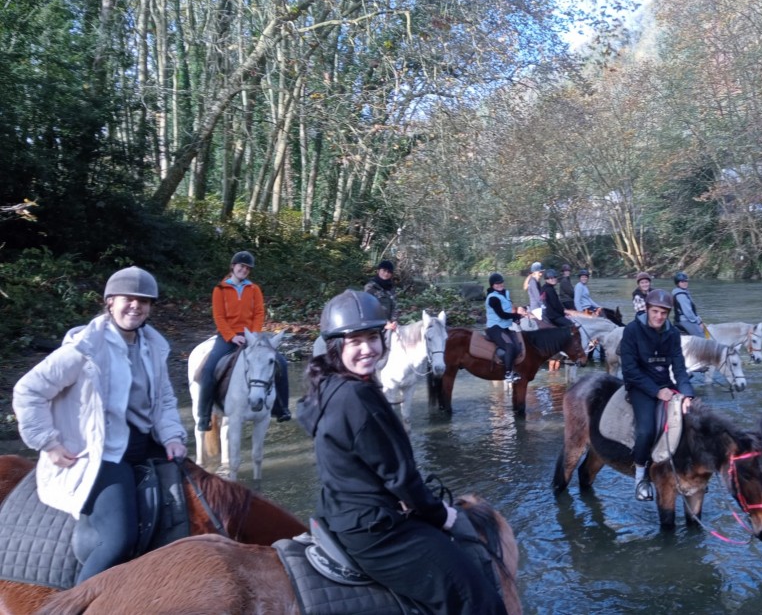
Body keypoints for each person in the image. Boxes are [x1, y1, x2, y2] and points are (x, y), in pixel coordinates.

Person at [297, 291, 506, 615]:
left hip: (339, 512)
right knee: (478, 601)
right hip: (376, 530)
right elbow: (400, 477)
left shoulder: (328, 384)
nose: (367, 348)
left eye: (372, 337)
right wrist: (442, 515)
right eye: (355, 342)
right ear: (337, 346)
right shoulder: (357, 399)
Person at [13, 266, 188, 583]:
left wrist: (173, 436)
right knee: (116, 541)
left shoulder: (153, 346)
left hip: (143, 443)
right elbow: (29, 391)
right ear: (110, 302)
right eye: (128, 299)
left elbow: (163, 400)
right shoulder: (84, 349)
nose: (136, 306)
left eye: (144, 301)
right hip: (101, 452)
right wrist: (49, 443)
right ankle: (75, 604)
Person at [197, 251, 290, 432]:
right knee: (208, 370)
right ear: (233, 266)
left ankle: (281, 408)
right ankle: (204, 416)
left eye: (247, 268)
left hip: (252, 336)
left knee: (281, 363)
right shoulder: (220, 289)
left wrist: (252, 335)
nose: (244, 270)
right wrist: (232, 336)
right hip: (227, 336)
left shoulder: (254, 289)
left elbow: (259, 313)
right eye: (241, 266)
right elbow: (219, 316)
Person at [618, 288, 694, 502]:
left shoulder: (673, 333)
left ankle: (686, 472)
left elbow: (679, 368)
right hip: (640, 386)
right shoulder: (632, 330)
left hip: (665, 384)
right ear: (647, 309)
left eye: (664, 312)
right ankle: (641, 477)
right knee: (646, 430)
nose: (659, 316)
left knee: (693, 421)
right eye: (655, 311)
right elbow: (629, 370)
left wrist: (687, 394)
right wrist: (656, 391)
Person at [485, 272, 527, 382]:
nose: (500, 285)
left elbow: (509, 309)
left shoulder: (505, 293)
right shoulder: (493, 298)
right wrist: (515, 316)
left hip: (504, 326)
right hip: (494, 328)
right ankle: (508, 373)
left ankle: (514, 370)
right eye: (496, 284)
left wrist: (516, 317)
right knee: (509, 345)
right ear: (492, 285)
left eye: (501, 282)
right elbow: (501, 315)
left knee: (518, 346)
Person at [671, 271, 706, 337]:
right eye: (682, 282)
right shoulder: (681, 295)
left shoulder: (683, 292)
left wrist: (699, 318)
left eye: (686, 281)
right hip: (684, 320)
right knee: (701, 335)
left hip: (686, 319)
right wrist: (698, 322)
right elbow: (688, 312)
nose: (685, 283)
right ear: (678, 283)